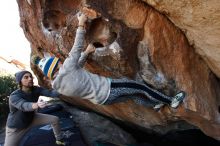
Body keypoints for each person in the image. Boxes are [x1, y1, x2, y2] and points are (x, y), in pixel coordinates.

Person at [32, 11, 185, 111]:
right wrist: (81, 23)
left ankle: (155, 104)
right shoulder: (66, 69)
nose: (60, 62)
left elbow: (76, 66)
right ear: (56, 68)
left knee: (134, 95)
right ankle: (170, 100)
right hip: (108, 88)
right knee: (140, 87)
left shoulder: (60, 86)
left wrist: (87, 52)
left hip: (102, 100)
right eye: (57, 62)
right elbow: (76, 47)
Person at [4, 70, 66, 146]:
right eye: (26, 77)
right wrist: (37, 104)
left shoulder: (36, 89)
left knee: (55, 119)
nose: (30, 79)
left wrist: (62, 88)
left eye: (30, 77)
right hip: (17, 128)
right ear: (20, 81)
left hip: (32, 119)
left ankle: (59, 140)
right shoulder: (14, 96)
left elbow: (50, 93)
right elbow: (24, 105)